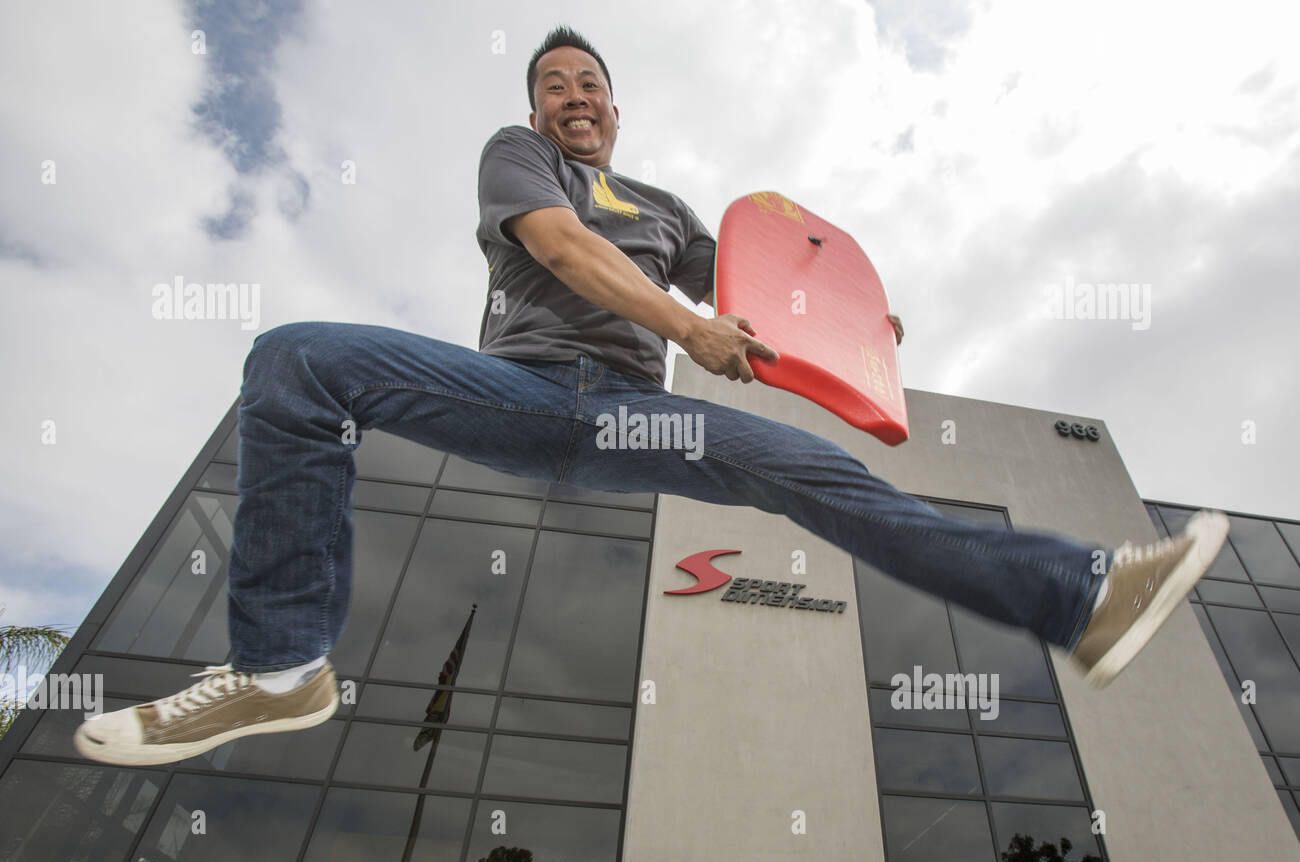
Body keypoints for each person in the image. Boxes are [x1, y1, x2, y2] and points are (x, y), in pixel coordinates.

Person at [75, 25, 1228, 767]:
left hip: (635, 419)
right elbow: (569, 253)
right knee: (295, 358)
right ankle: (282, 669)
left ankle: (1086, 598)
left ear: (616, 110)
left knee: (826, 481)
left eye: (590, 86)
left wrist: (857, 327)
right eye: (554, 87)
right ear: (538, 114)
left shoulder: (668, 208)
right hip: (518, 393)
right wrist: (687, 326)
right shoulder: (518, 162)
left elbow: (766, 308)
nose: (574, 97)